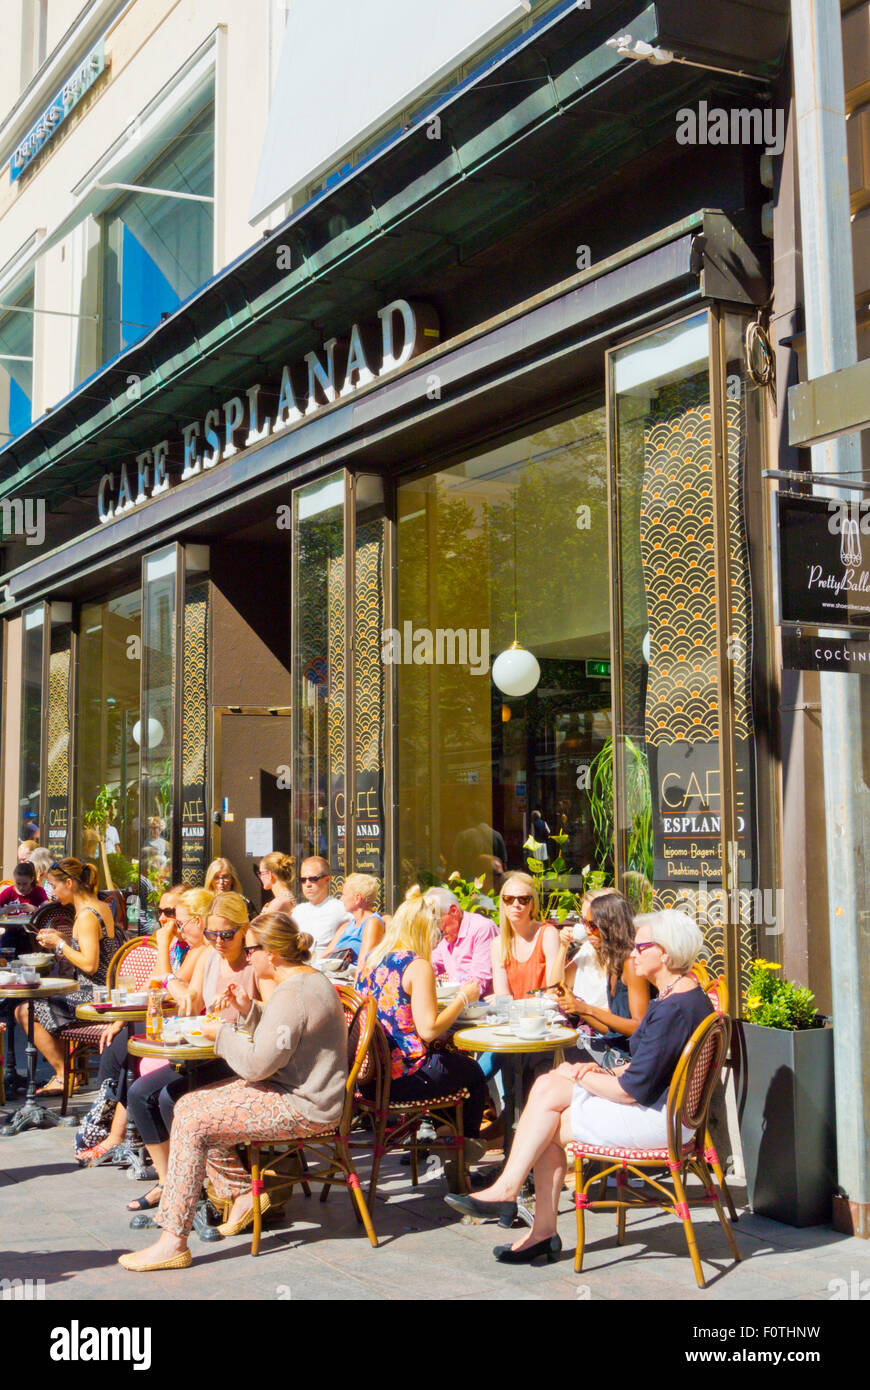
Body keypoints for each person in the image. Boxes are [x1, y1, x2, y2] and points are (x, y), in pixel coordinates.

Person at [444, 911, 713, 1264]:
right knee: (546, 1089)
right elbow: (654, 1066)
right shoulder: (684, 995)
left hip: (658, 1121)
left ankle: (522, 1206)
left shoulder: (672, 1008)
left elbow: (630, 1092)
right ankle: (523, 1209)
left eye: (640, 947)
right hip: (670, 1112)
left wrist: (581, 1075)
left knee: (548, 1114)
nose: (631, 953)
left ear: (663, 953)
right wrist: (592, 1071)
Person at [118, 911, 349, 1271]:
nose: (248, 956)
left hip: (304, 1105)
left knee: (193, 1116)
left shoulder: (294, 993)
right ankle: (242, 1195)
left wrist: (221, 1035)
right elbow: (284, 1036)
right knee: (191, 1104)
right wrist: (249, 1010)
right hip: (303, 1093)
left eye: (252, 949)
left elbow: (258, 1065)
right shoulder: (305, 982)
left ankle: (172, 1240)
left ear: (270, 954)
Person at [122, 892, 268, 1217]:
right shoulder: (212, 957)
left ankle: (202, 1187)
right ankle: (169, 1182)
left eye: (226, 934)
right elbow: (192, 997)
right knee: (139, 1093)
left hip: (240, 1059)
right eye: (213, 934)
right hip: (208, 1053)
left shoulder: (256, 962)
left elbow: (271, 1019)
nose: (218, 941)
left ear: (244, 930)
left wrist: (243, 1007)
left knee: (171, 1098)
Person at [76, 886, 216, 1169]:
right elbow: (158, 986)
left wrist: (162, 947)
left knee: (128, 1050)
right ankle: (117, 1130)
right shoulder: (193, 949)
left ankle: (117, 1131)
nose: (167, 922)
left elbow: (179, 994)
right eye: (163, 914)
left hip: (192, 1037)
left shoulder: (202, 950)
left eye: (174, 917)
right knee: (121, 1043)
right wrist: (120, 1018)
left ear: (197, 921)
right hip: (175, 1025)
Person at [356, 886, 488, 1141]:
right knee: (472, 1073)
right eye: (436, 930)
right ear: (425, 930)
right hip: (404, 1079)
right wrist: (463, 998)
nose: (438, 937)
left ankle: (442, 1140)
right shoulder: (417, 965)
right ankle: (461, 1147)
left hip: (369, 1079)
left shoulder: (371, 960)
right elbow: (429, 1029)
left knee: (451, 1061)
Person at [18, 857, 116, 1094]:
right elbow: (94, 950)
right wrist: (62, 940)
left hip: (96, 996)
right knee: (42, 1001)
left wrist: (60, 947)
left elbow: (90, 965)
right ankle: (71, 1073)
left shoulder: (85, 916)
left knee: (24, 1010)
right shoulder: (99, 907)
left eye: (54, 885)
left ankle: (64, 1074)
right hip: (104, 989)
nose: (52, 891)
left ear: (70, 883)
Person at [550, 891, 649, 1069]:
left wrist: (585, 1008)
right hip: (615, 1051)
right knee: (548, 1057)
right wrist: (578, 1008)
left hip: (631, 1063)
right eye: (585, 924)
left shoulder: (632, 964)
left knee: (551, 1064)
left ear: (610, 926)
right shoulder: (614, 961)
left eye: (593, 925)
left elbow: (638, 1028)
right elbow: (612, 1030)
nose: (587, 931)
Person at [491, 872, 561, 999]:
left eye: (523, 899)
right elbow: (502, 995)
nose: (515, 904)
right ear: (502, 903)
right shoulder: (498, 944)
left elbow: (553, 990)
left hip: (546, 1014)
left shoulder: (548, 934)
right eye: (509, 899)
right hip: (514, 1015)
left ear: (532, 904)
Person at [425, 886, 498, 996]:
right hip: (461, 1003)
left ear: (454, 911)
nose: (436, 928)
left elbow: (478, 982)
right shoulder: (447, 939)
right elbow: (430, 965)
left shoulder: (481, 928)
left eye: (437, 922)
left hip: (485, 1006)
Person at [291, 857, 353, 955]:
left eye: (313, 879)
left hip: (328, 966)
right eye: (303, 880)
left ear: (327, 880)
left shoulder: (341, 908)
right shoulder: (297, 911)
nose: (307, 884)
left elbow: (369, 920)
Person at [319, 873, 383, 965]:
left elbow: (364, 964)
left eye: (344, 894)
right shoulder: (346, 927)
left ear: (357, 898)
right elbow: (324, 956)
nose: (341, 899)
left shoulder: (372, 923)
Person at [256, 852, 296, 916]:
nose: (260, 877)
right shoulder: (285, 899)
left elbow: (261, 925)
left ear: (270, 875)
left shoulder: (280, 902)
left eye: (261, 873)